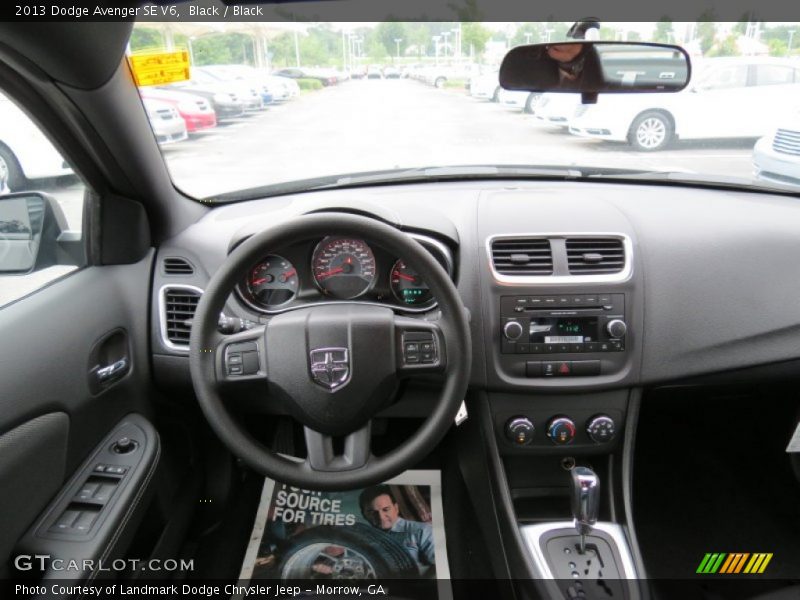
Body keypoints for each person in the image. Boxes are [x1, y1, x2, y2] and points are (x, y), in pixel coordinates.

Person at [359, 485, 435, 576]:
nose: (381, 517)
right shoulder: (362, 539)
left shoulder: (422, 531)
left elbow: (439, 567)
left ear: (396, 508)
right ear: (364, 514)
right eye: (372, 512)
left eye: (386, 509)